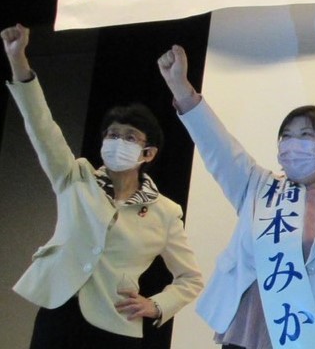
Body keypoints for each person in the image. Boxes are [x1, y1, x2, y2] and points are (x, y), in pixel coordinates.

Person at [156, 44, 315, 349]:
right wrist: (181, 87)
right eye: (287, 136)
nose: (293, 144)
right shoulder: (258, 187)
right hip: (249, 328)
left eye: (305, 135)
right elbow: (217, 146)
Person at [3, 24, 203, 349]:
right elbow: (41, 126)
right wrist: (18, 61)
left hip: (116, 322)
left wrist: (156, 305)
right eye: (112, 135)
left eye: (129, 137)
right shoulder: (76, 177)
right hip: (60, 312)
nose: (117, 142)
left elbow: (191, 277)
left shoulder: (165, 212)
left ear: (148, 153)